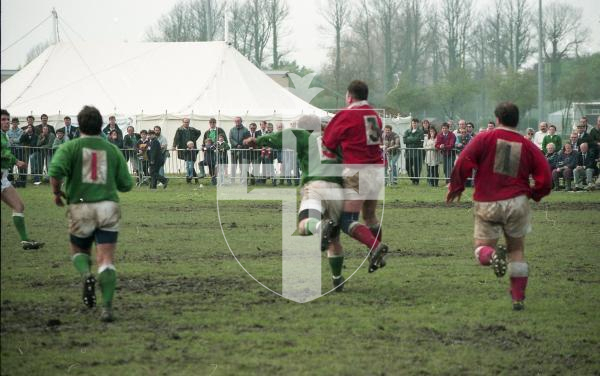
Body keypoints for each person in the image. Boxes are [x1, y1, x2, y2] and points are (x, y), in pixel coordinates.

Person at [447, 102, 552, 311]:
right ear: (517, 120)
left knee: (481, 248)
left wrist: (456, 186)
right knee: (516, 250)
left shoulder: (484, 138)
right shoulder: (527, 145)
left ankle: (493, 256)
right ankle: (518, 297)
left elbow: (463, 161)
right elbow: (546, 178)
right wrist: (534, 193)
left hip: (488, 202)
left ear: (497, 119)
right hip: (517, 202)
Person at [49, 105, 133, 322]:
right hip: (108, 207)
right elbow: (126, 184)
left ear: (79, 124)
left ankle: (87, 275)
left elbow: (55, 171)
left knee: (78, 250)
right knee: (105, 259)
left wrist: (57, 192)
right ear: (101, 126)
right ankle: (106, 307)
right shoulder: (112, 149)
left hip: (81, 206)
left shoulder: (70, 147)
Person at [255, 114, 347, 291]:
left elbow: (281, 137)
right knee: (334, 239)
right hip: (337, 189)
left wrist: (258, 140)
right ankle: (337, 278)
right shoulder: (338, 141)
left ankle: (320, 227)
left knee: (304, 226)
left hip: (315, 185)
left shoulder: (306, 136)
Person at [322, 80, 388, 273]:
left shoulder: (346, 114)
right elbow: (373, 142)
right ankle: (376, 254)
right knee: (370, 216)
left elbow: (328, 143)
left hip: (357, 172)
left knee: (346, 220)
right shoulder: (374, 115)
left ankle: (375, 247)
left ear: (349, 96)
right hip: (376, 171)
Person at [1, 109, 44, 250]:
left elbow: (5, 153)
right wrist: (15, 161)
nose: (6, 122)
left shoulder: (4, 135)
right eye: (3, 119)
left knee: (19, 206)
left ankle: (25, 241)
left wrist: (13, 161)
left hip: (3, 179)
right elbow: (3, 153)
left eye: (7, 119)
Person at [173, 118, 202, 183]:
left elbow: (199, 132)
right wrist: (174, 146)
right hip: (185, 149)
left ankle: (190, 179)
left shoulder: (192, 129)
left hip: (192, 149)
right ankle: (192, 178)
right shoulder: (179, 129)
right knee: (189, 164)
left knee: (190, 164)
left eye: (187, 122)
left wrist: (194, 139)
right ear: (182, 122)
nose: (186, 123)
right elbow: (176, 138)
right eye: (185, 122)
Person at [229, 117, 251, 185]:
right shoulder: (232, 130)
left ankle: (242, 181)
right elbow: (230, 139)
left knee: (242, 166)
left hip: (243, 150)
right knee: (233, 166)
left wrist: (241, 145)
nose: (237, 122)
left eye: (238, 121)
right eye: (236, 121)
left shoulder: (245, 130)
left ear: (241, 121)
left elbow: (248, 139)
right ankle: (232, 180)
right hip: (234, 151)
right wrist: (236, 144)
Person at [403, 118, 424, 185]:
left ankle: (416, 181)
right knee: (407, 167)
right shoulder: (407, 131)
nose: (414, 124)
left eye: (415, 123)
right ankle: (413, 179)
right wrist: (414, 139)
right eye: (413, 123)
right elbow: (404, 140)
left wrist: (409, 138)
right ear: (411, 124)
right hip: (408, 152)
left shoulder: (420, 132)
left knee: (417, 167)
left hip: (417, 152)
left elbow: (420, 141)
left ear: (417, 124)